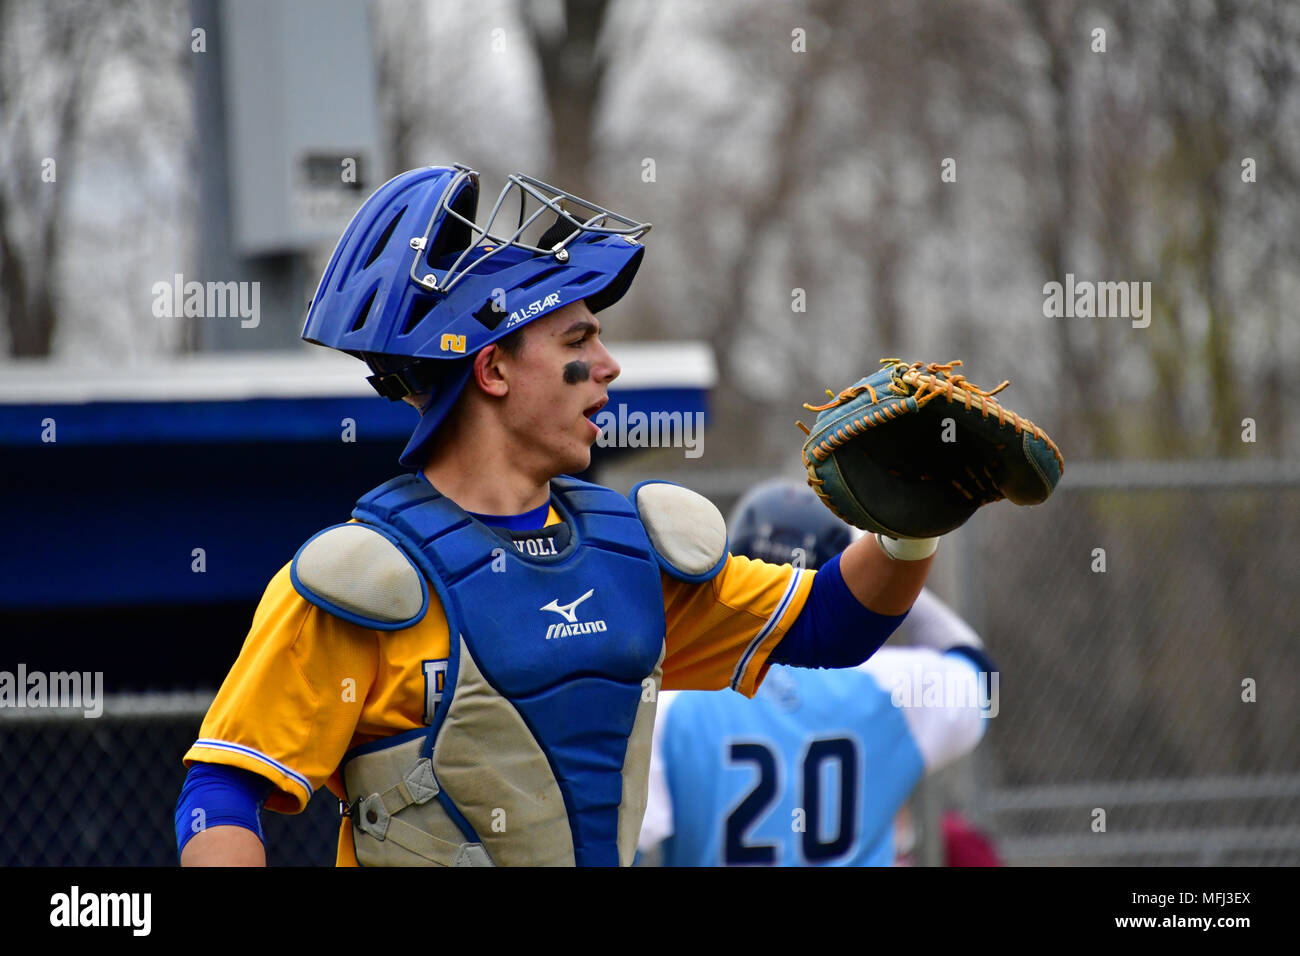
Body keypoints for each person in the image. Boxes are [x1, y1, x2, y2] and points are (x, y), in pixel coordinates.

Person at [173, 165, 937, 867]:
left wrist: (914, 517)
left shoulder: (631, 555)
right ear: (493, 368)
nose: (607, 366)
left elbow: (831, 624)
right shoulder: (362, 583)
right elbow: (221, 793)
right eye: (579, 338)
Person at [638, 480, 996, 866]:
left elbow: (631, 845)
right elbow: (977, 672)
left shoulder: (675, 696)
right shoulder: (891, 686)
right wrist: (894, 571)